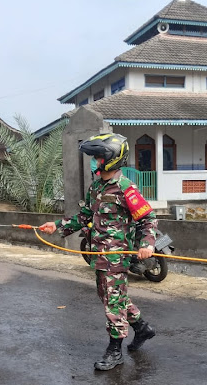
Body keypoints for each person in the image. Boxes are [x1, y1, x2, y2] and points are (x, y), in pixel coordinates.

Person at [39, 133, 158, 371]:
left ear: (112, 159)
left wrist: (147, 244)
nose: (94, 162)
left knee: (112, 302)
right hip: (99, 256)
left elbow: (148, 219)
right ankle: (142, 328)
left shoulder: (126, 188)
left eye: (98, 157)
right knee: (110, 296)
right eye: (94, 157)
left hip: (116, 256)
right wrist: (58, 226)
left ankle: (115, 350)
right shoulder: (97, 186)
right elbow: (84, 217)